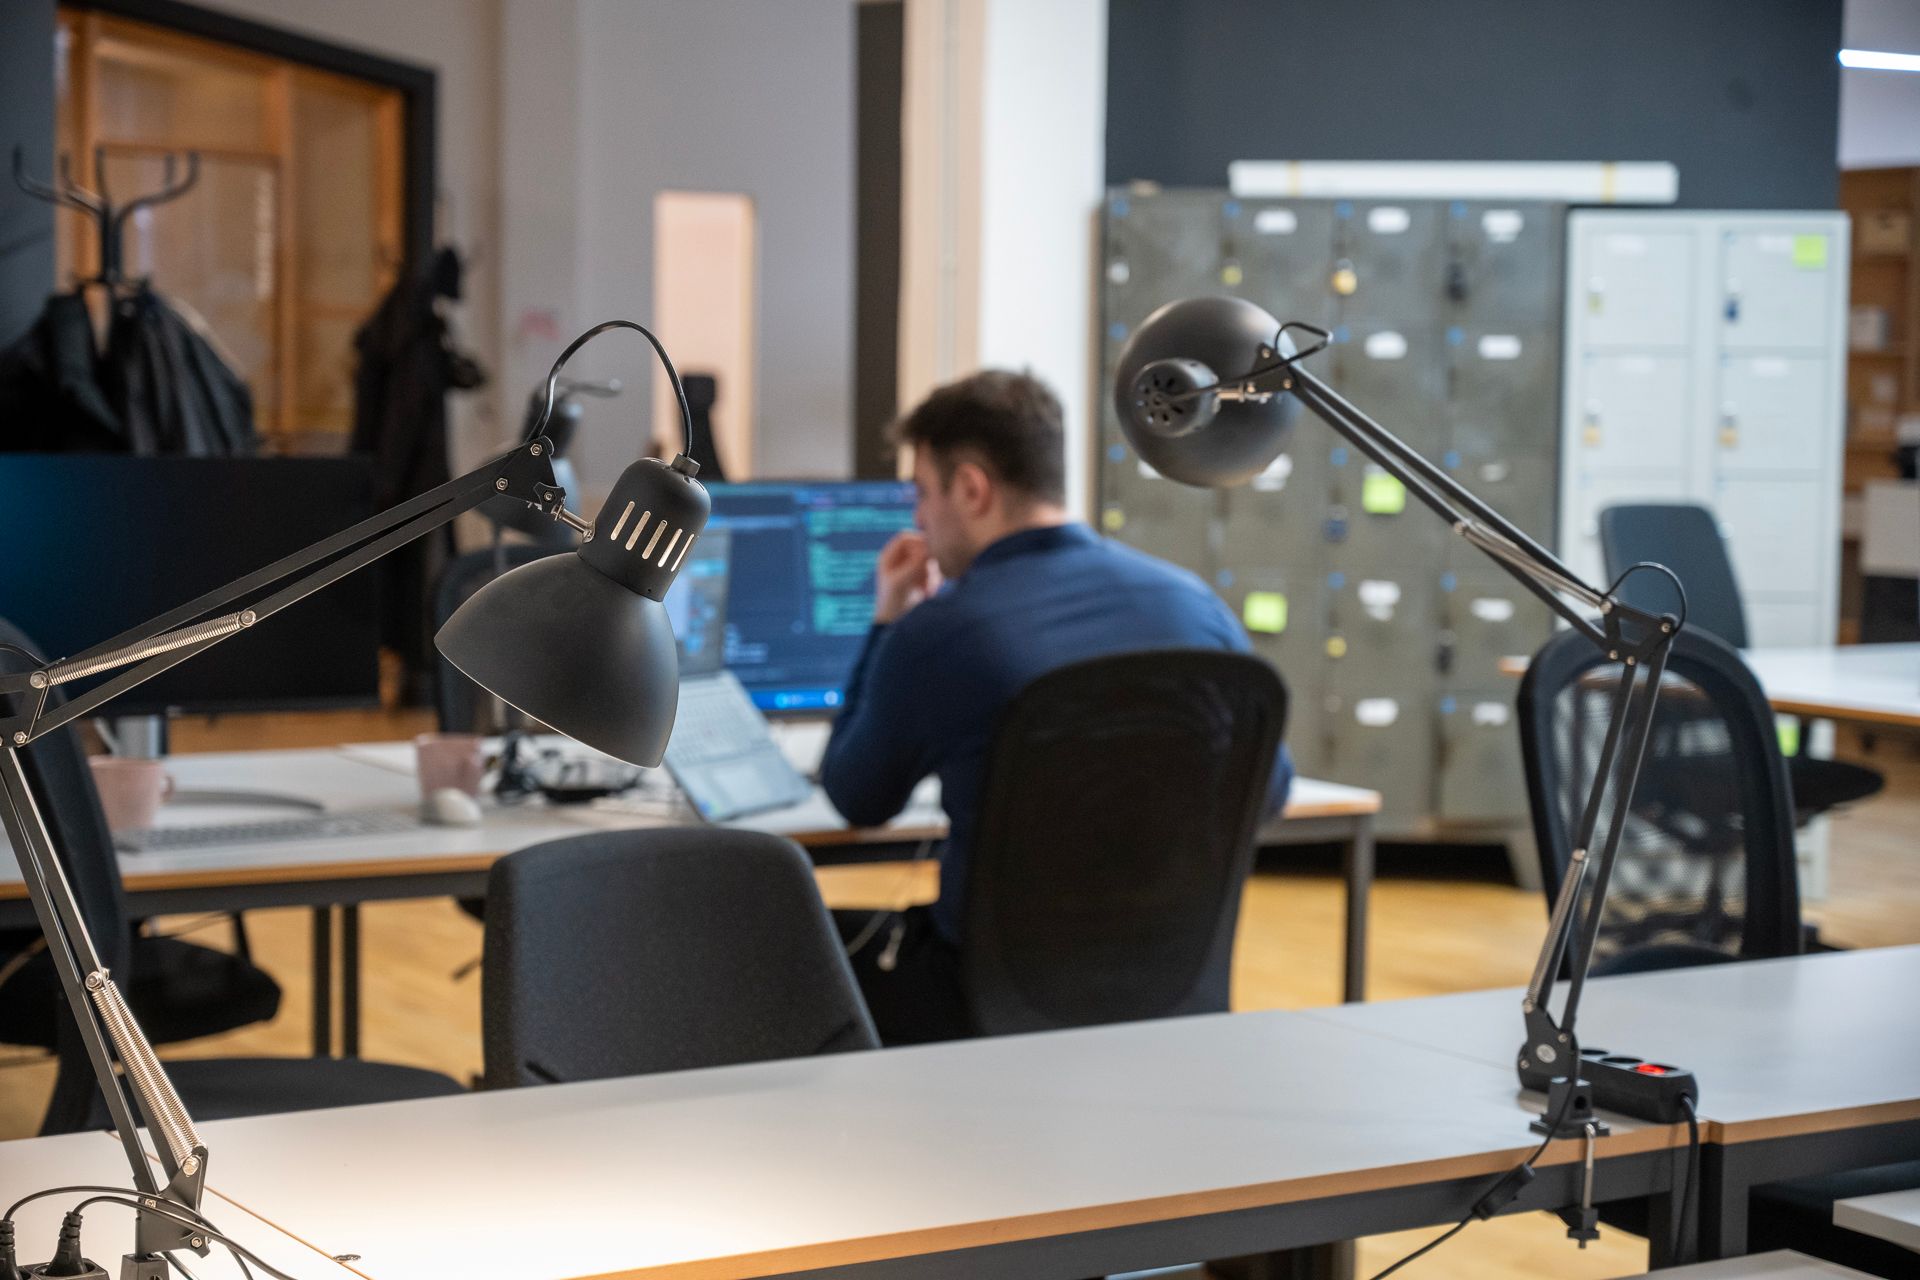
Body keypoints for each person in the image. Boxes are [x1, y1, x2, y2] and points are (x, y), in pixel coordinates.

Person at [820, 369, 1294, 1045]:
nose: (918, 519)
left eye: (922, 493)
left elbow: (856, 796)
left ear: (972, 488)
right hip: (1170, 997)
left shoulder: (942, 632)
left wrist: (887, 621)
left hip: (978, 1010)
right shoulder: (1196, 606)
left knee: (802, 943)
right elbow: (1267, 794)